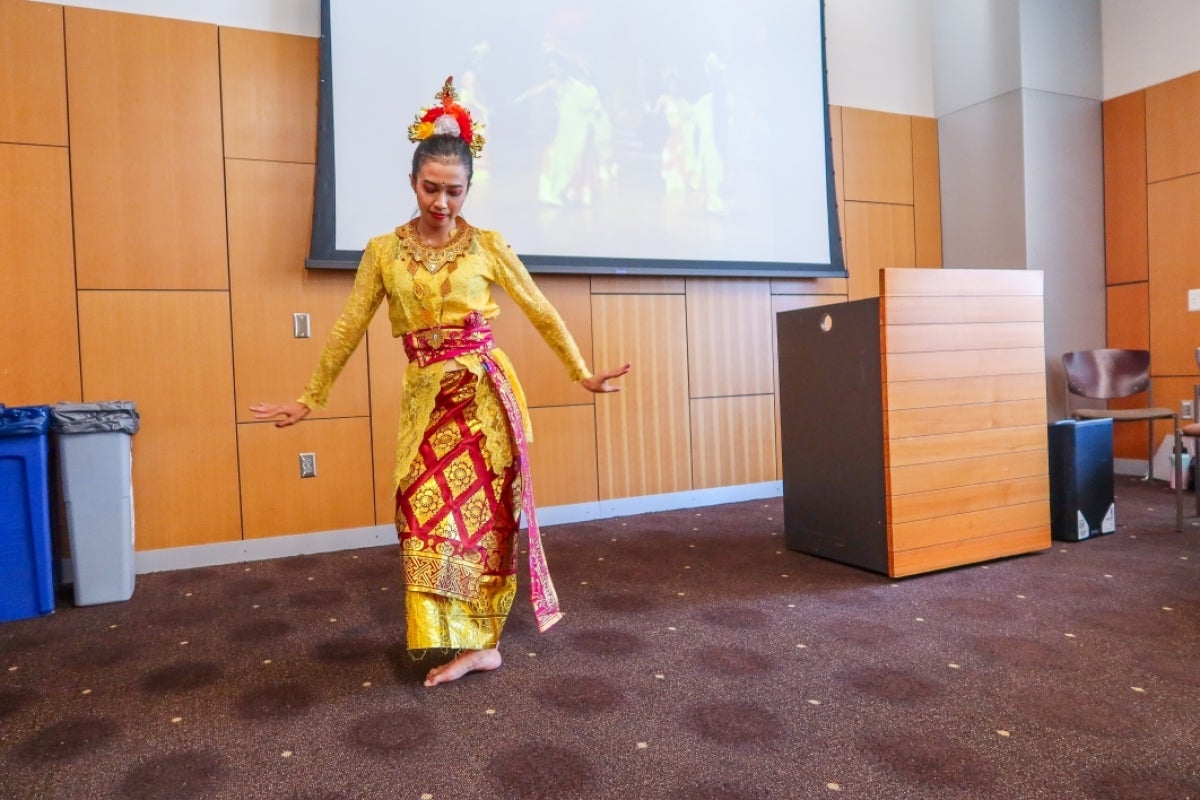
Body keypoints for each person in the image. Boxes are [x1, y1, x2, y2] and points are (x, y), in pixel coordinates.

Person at [250, 77, 630, 687]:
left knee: (478, 520)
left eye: (455, 191)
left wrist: (581, 372)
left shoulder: (487, 246)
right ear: (412, 182)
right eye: (431, 188)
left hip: (481, 398)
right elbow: (348, 327)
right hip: (426, 400)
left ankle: (481, 643)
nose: (442, 203)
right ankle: (447, 633)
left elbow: (539, 308)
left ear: (468, 189)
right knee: (420, 513)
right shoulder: (382, 251)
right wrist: (309, 398)